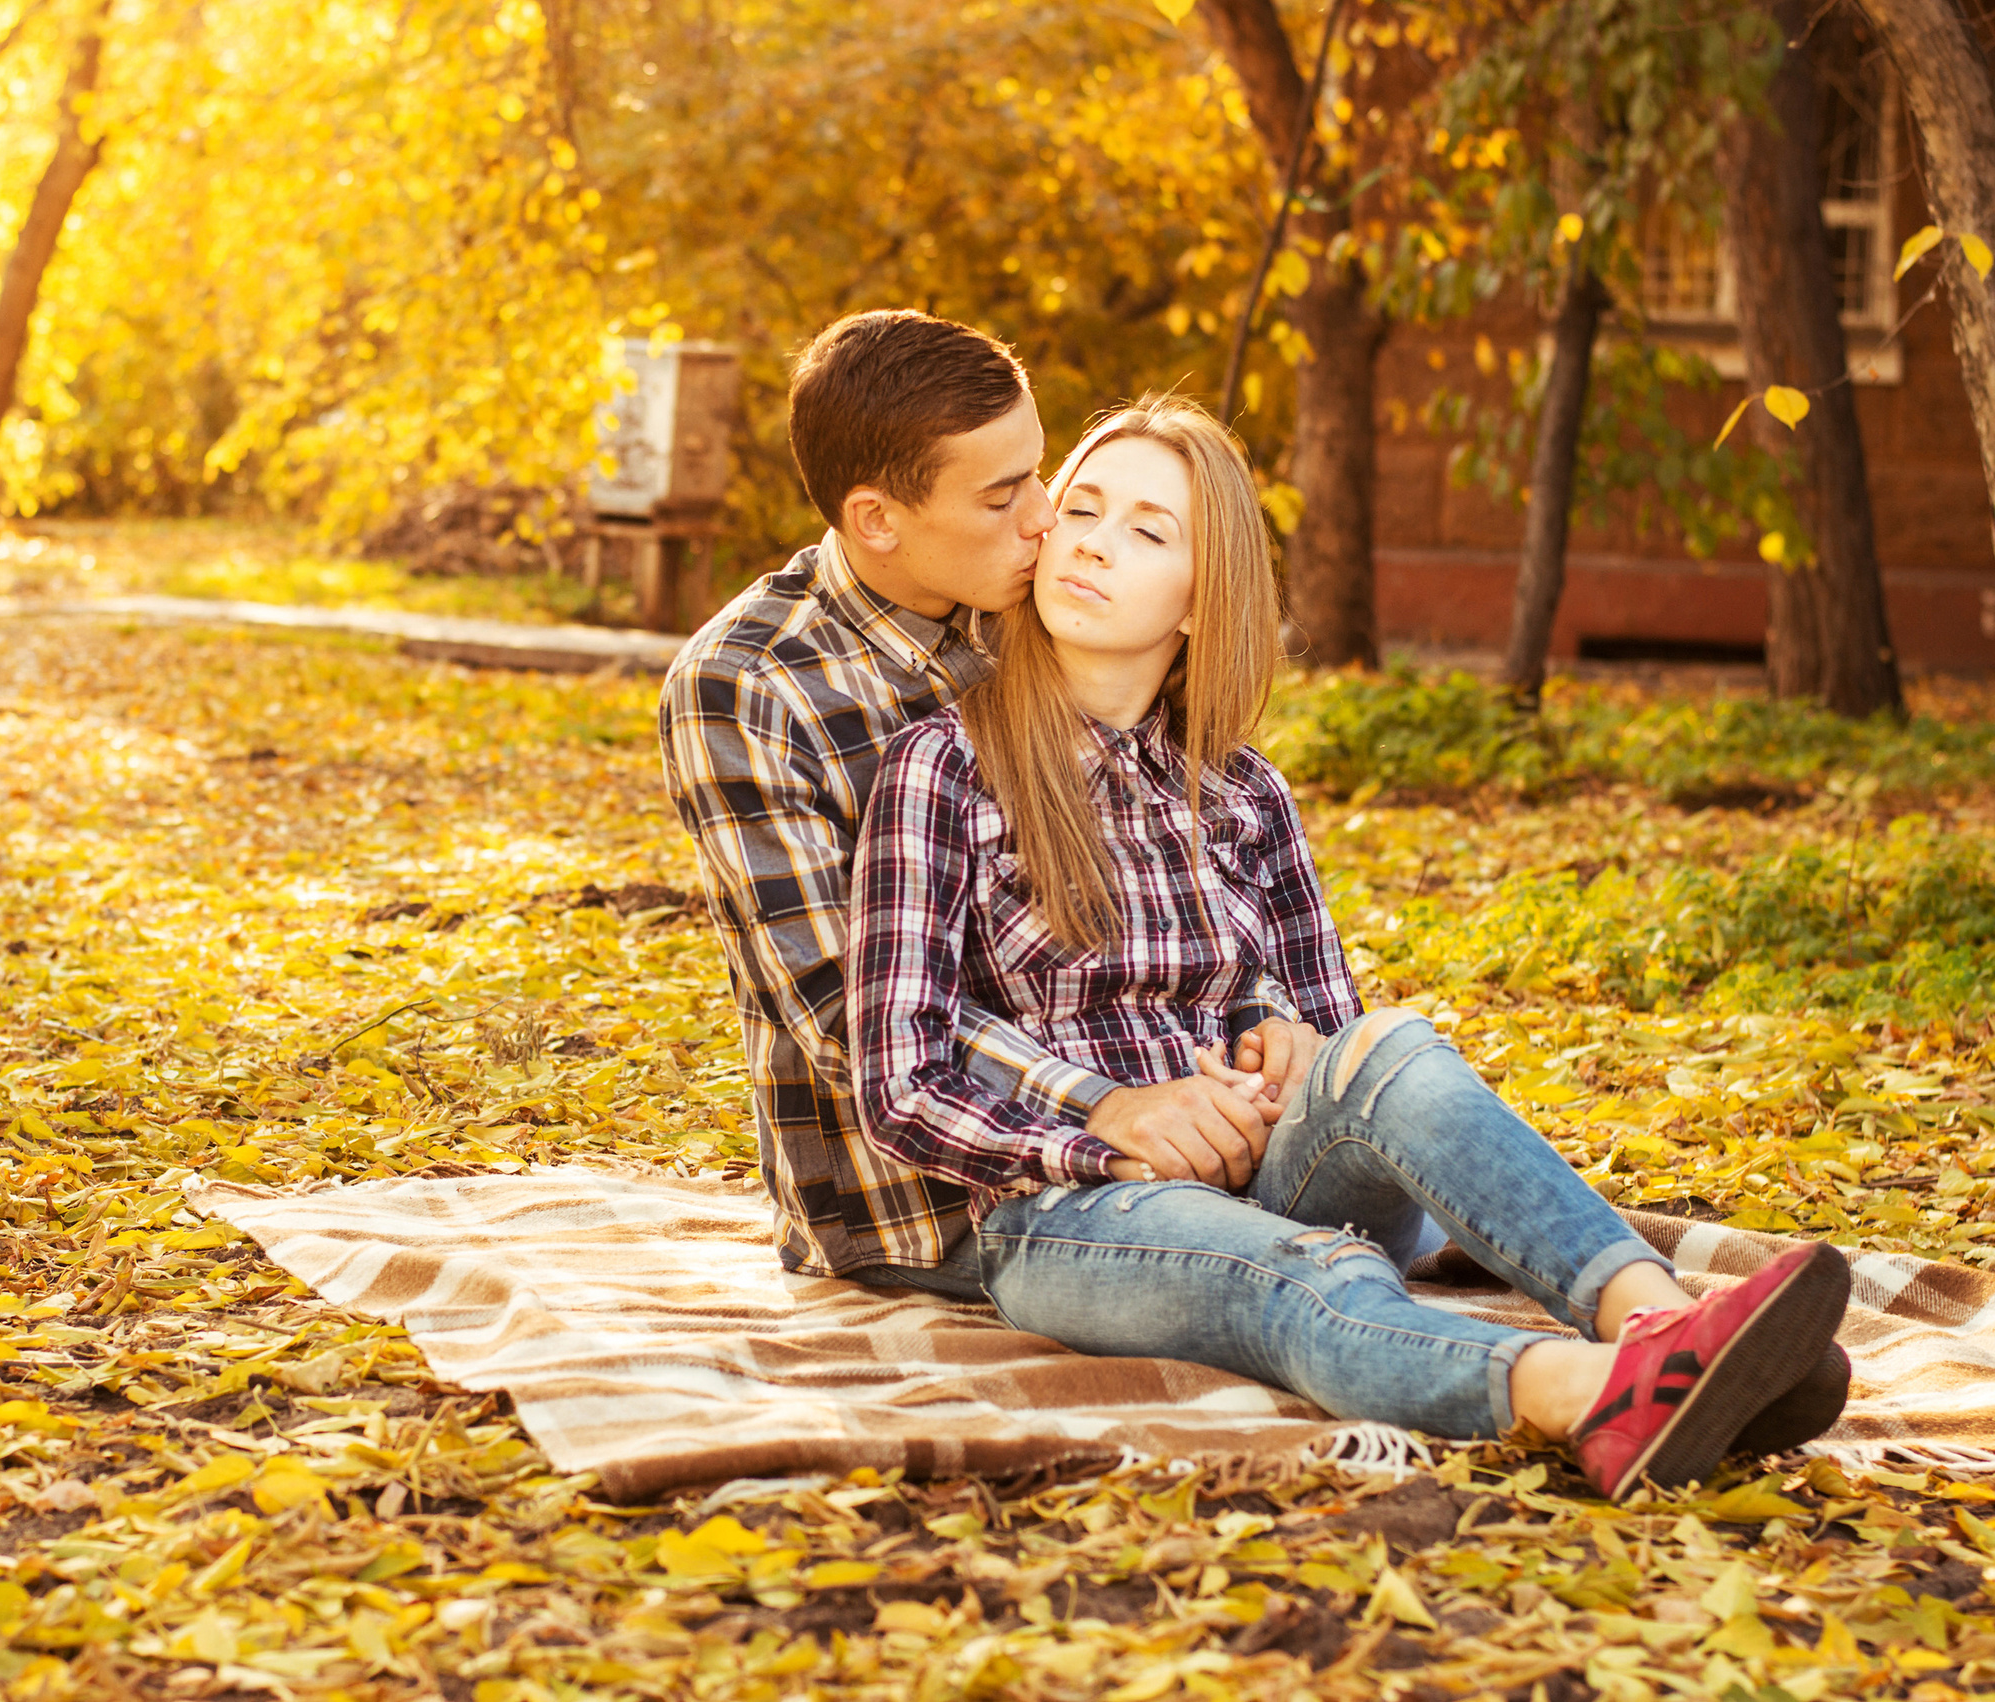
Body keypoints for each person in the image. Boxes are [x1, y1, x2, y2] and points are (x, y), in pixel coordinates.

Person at [844, 394, 1852, 1499]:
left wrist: (1286, 1046)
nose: (1090, 541)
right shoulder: (943, 764)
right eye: (1080, 509)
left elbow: (1346, 1054)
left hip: (1269, 1168)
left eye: (1147, 529)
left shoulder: (1243, 793)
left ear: (1198, 597)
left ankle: (1661, 1322)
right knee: (1305, 1269)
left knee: (1393, 1048)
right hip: (1073, 1216)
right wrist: (1105, 1139)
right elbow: (899, 1079)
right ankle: (1591, 1395)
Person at [660, 310, 1309, 1300]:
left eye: (1041, 474)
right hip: (922, 1201)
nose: (1048, 519)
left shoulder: (1036, 603)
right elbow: (847, 1015)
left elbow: (1191, 874)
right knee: (1311, 1275)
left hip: (1166, 1128)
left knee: (1414, 1141)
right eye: (1006, 495)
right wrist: (1107, 1107)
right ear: (879, 519)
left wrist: (1244, 1055)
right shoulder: (752, 688)